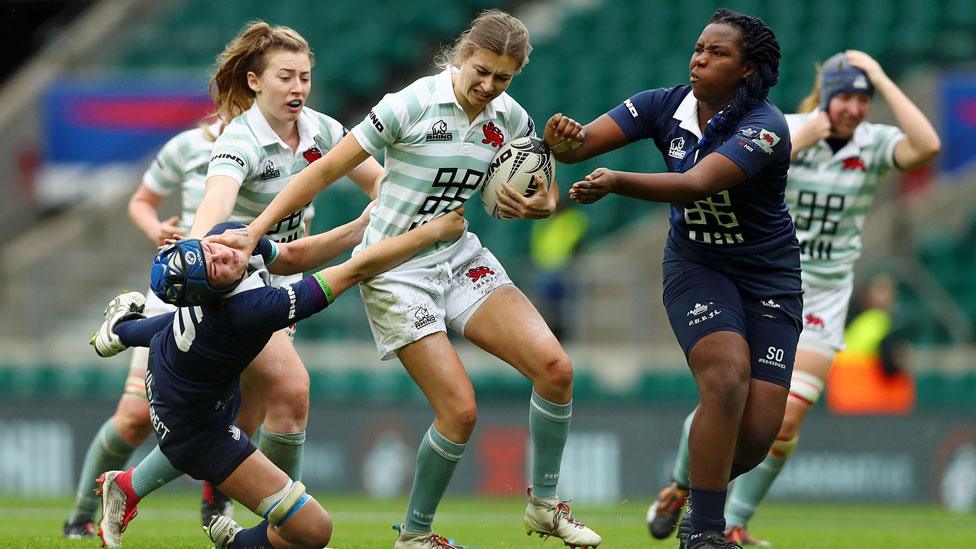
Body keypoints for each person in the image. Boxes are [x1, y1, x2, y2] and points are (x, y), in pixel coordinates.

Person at [208, 10, 600, 549]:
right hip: (393, 270)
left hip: (459, 256)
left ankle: (545, 507)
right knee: (459, 411)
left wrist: (539, 205)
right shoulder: (409, 104)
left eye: (502, 78)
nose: (488, 86)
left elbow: (543, 191)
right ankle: (414, 536)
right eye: (480, 71)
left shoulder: (509, 117)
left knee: (556, 369)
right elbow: (323, 170)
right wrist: (253, 231)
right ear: (461, 57)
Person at [646, 50, 940, 546]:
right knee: (727, 396)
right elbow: (755, 161)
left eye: (862, 99)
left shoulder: (873, 143)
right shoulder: (786, 126)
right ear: (825, 96)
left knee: (784, 418)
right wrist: (806, 132)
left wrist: (883, 78)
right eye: (844, 95)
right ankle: (681, 485)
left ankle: (733, 522)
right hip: (765, 276)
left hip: (824, 291)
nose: (853, 108)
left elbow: (927, 146)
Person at [550, 9, 793, 549]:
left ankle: (686, 486)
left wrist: (616, 182)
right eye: (698, 48)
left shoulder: (766, 127)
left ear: (748, 70)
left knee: (756, 436)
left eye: (717, 53)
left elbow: (699, 183)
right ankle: (703, 533)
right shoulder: (663, 104)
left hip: (769, 279)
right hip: (697, 266)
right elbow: (580, 146)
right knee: (726, 376)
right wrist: (563, 136)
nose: (699, 59)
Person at [90, 206, 467, 549]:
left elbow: (291, 256)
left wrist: (360, 225)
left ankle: (127, 487)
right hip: (198, 431)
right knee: (313, 530)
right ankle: (234, 539)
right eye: (215, 268)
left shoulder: (227, 237)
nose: (221, 254)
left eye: (207, 250)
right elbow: (355, 270)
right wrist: (431, 232)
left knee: (282, 397)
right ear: (212, 295)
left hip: (183, 382)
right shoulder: (248, 310)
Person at [188, 19, 383, 500]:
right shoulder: (240, 139)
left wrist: (391, 205)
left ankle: (137, 488)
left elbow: (379, 181)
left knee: (248, 413)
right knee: (292, 391)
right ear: (255, 81)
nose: (298, 87)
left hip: (284, 270)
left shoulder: (324, 129)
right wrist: (196, 246)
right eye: (285, 76)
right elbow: (216, 202)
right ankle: (285, 519)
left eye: (304, 77)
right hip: (237, 279)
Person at [63, 117, 236, 538]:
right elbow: (142, 199)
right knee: (135, 417)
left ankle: (217, 515)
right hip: (182, 290)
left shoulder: (289, 141)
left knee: (236, 413)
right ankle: (83, 515)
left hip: (242, 293)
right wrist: (156, 228)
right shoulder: (188, 146)